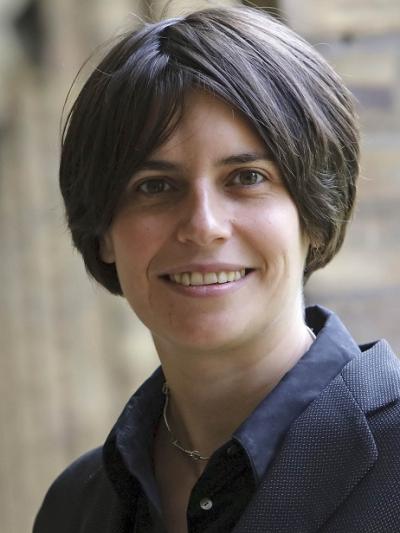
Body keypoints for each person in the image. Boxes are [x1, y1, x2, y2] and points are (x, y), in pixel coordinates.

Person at [33, 5, 400, 533]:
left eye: (247, 177)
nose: (203, 226)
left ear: (315, 214)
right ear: (105, 233)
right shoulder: (73, 509)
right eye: (155, 186)